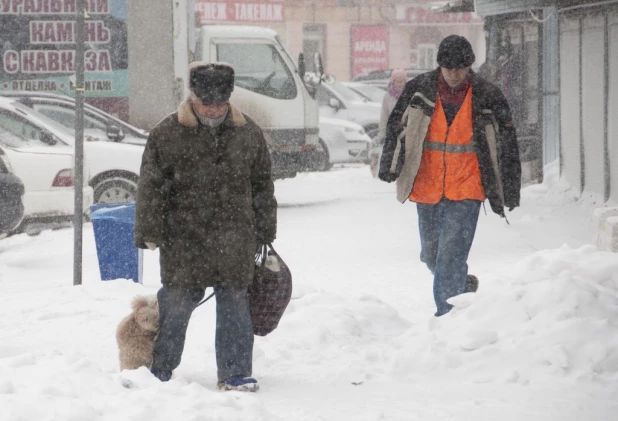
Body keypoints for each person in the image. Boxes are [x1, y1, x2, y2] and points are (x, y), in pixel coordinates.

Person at [134, 62, 277, 391]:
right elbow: (151, 187)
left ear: (229, 99)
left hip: (235, 236)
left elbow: (262, 187)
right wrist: (149, 231)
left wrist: (265, 230)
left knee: (235, 304)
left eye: (219, 103)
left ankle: (235, 372)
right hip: (184, 236)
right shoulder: (166, 133)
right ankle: (160, 368)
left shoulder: (248, 133)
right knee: (178, 302)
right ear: (192, 96)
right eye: (205, 102)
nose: (212, 109)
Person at [378, 35, 521, 317]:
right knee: (431, 255)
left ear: (470, 66)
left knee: (450, 255)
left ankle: (447, 315)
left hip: (467, 189)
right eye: (449, 68)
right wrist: (388, 166)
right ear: (439, 66)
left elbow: (507, 143)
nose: (455, 74)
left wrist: (510, 188)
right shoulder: (419, 90)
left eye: (461, 68)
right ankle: (460, 285)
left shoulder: (487, 95)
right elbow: (396, 127)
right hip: (427, 187)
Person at [369, 69, 407, 178]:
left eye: (401, 81)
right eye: (397, 81)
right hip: (393, 130)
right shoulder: (388, 97)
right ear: (392, 82)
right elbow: (384, 116)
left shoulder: (410, 94)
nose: (399, 84)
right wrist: (382, 132)